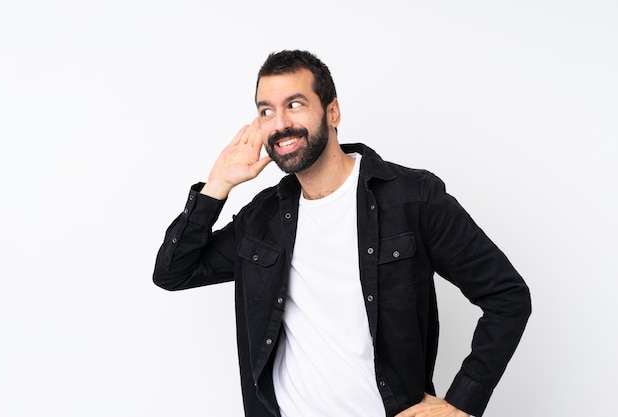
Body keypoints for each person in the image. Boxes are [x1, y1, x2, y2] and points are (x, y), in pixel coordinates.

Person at [153, 50, 531, 417]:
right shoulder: (261, 219)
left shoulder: (412, 198)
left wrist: (463, 401)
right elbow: (174, 272)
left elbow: (507, 296)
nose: (279, 122)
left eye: (295, 104)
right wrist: (217, 185)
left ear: (332, 111)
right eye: (266, 110)